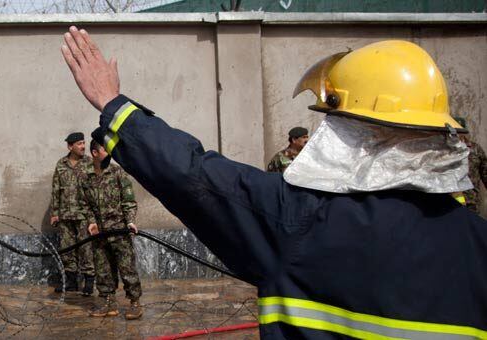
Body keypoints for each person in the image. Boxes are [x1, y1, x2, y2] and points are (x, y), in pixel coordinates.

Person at [61, 26, 486, 339]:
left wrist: (113, 105)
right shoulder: (477, 243)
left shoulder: (300, 222)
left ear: (355, 135)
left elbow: (194, 175)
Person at [81, 128, 142, 320]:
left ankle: (134, 303)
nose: (110, 152)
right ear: (95, 153)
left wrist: (130, 221)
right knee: (103, 269)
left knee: (127, 268)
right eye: (106, 149)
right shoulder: (85, 176)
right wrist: (91, 223)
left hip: (119, 231)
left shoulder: (117, 172)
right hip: (99, 234)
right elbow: (85, 204)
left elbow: (129, 201)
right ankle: (109, 303)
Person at [49, 132, 96, 295]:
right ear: (70, 146)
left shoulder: (90, 163)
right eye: (79, 144)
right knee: (67, 248)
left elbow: (95, 191)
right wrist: (55, 213)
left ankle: (89, 282)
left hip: (84, 215)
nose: (83, 146)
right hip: (65, 215)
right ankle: (71, 282)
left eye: (84, 143)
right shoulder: (61, 164)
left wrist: (93, 218)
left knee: (86, 249)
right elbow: (56, 190)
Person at [452, 116, 487, 214]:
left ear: (464, 131)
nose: (456, 133)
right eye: (454, 130)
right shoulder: (445, 149)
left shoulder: (475, 149)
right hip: (451, 203)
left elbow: (485, 173)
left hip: (472, 202)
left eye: (459, 130)